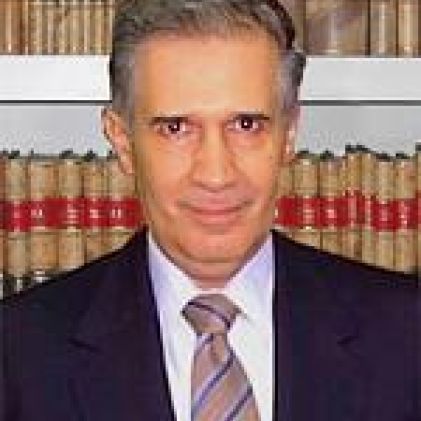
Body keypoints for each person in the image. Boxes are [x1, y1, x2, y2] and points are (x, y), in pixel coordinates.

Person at [1, 1, 419, 420]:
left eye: (246, 125)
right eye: (176, 128)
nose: (216, 175)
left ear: (289, 134)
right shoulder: (18, 354)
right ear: (123, 141)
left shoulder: (406, 334)